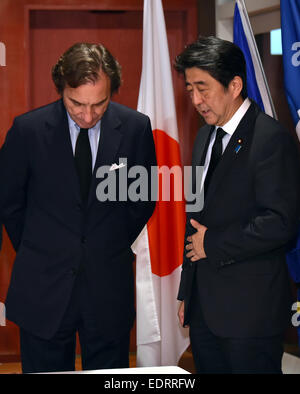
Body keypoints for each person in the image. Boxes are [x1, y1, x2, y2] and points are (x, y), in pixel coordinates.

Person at [0, 42, 156, 373]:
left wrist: (106, 245)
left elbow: (141, 202)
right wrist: (41, 248)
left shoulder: (135, 128)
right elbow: (9, 203)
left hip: (107, 288)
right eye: (77, 104)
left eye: (99, 104)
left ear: (113, 90)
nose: (88, 115)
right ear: (61, 88)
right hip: (43, 287)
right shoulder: (27, 130)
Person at [175, 36, 300, 374]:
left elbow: (281, 222)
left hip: (251, 315)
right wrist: (188, 292)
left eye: (203, 88)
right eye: (190, 90)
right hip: (205, 311)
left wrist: (213, 244)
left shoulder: (271, 139)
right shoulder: (205, 136)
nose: (196, 100)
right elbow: (196, 219)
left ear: (234, 85)